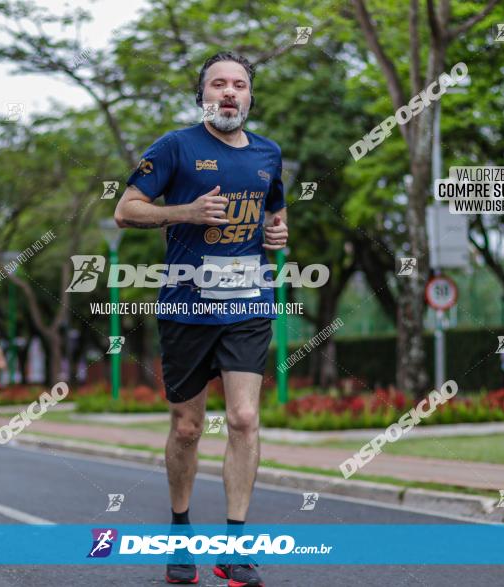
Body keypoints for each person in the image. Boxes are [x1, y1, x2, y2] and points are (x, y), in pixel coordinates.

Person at [114, 51, 287, 587]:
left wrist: (278, 235)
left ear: (251, 96)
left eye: (239, 84)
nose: (229, 92)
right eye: (219, 84)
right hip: (187, 307)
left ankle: (235, 548)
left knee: (242, 420)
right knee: (187, 428)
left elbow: (273, 213)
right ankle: (181, 532)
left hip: (248, 305)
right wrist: (183, 212)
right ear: (203, 95)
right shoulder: (175, 146)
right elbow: (126, 208)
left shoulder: (268, 154)